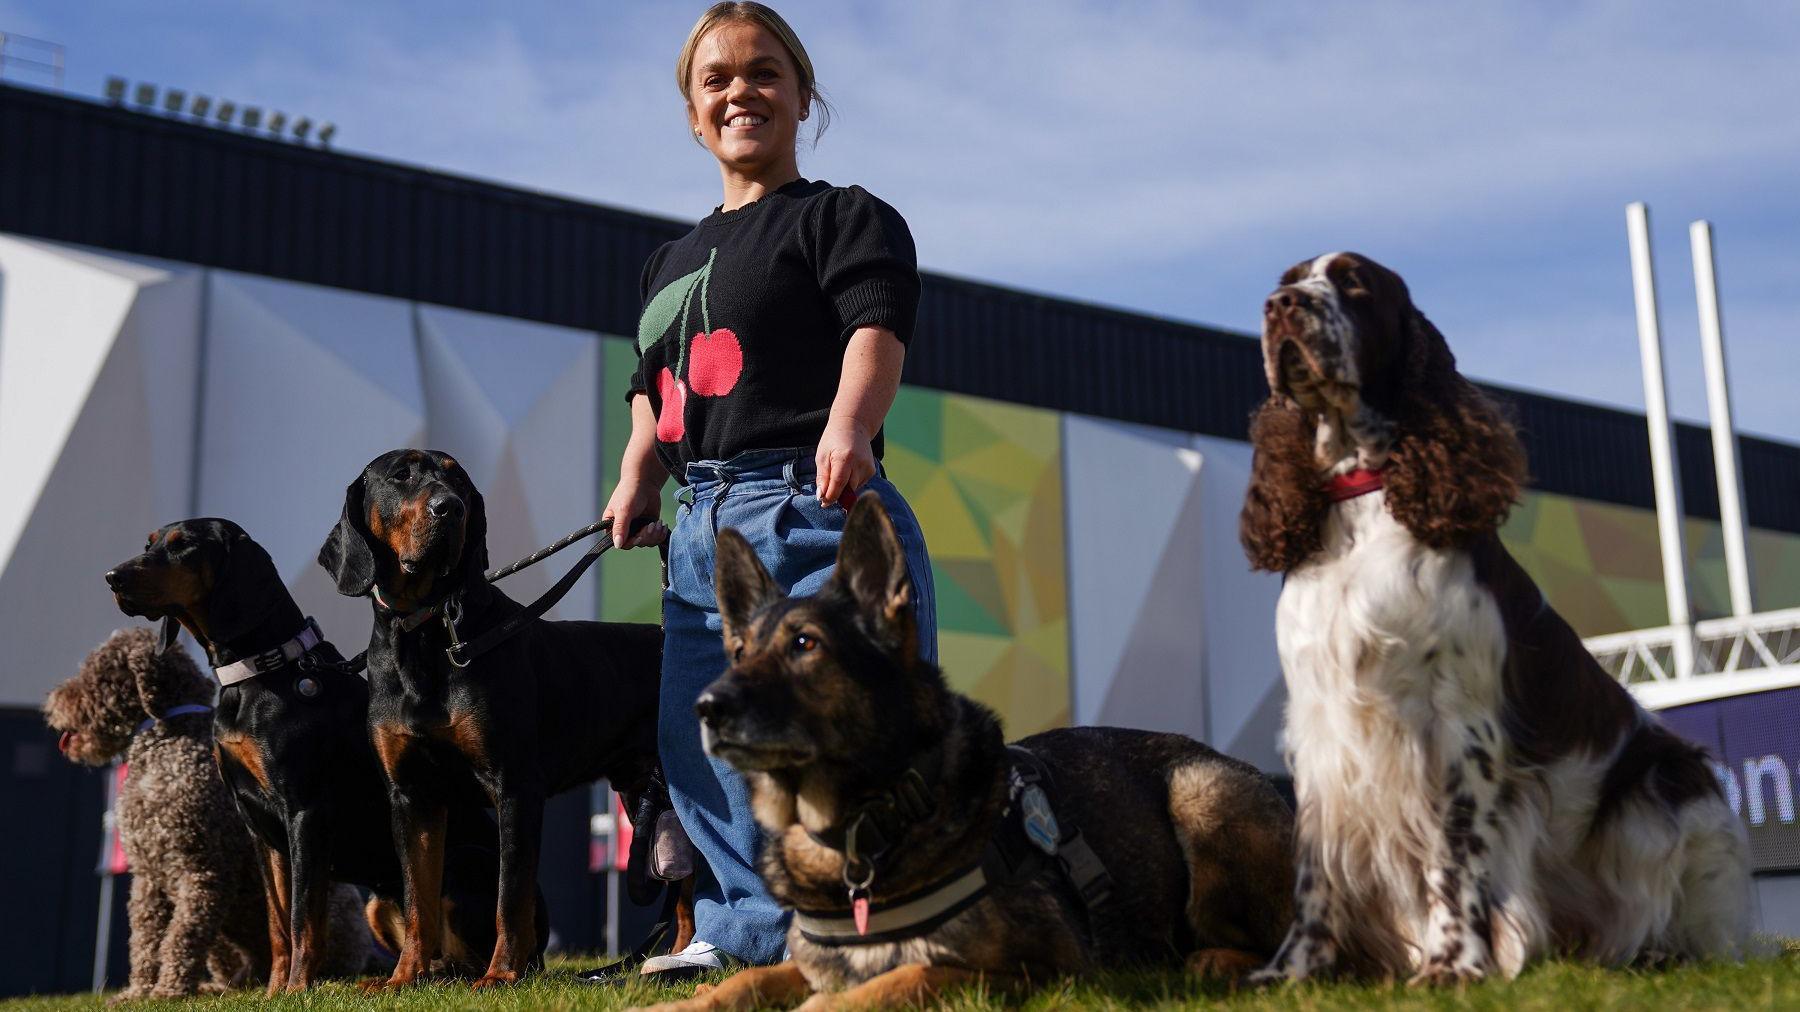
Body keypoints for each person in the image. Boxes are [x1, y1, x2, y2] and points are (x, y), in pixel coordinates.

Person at [597, 1, 937, 980]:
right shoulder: (670, 260)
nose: (741, 90)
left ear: (801, 97)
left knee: (855, 724)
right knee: (699, 732)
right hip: (699, 525)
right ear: (694, 114)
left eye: (764, 73)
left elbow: (875, 327)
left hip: (804, 506)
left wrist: (850, 424)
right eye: (717, 79)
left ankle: (892, 923)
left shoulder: (841, 216)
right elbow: (653, 391)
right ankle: (747, 932)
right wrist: (636, 480)